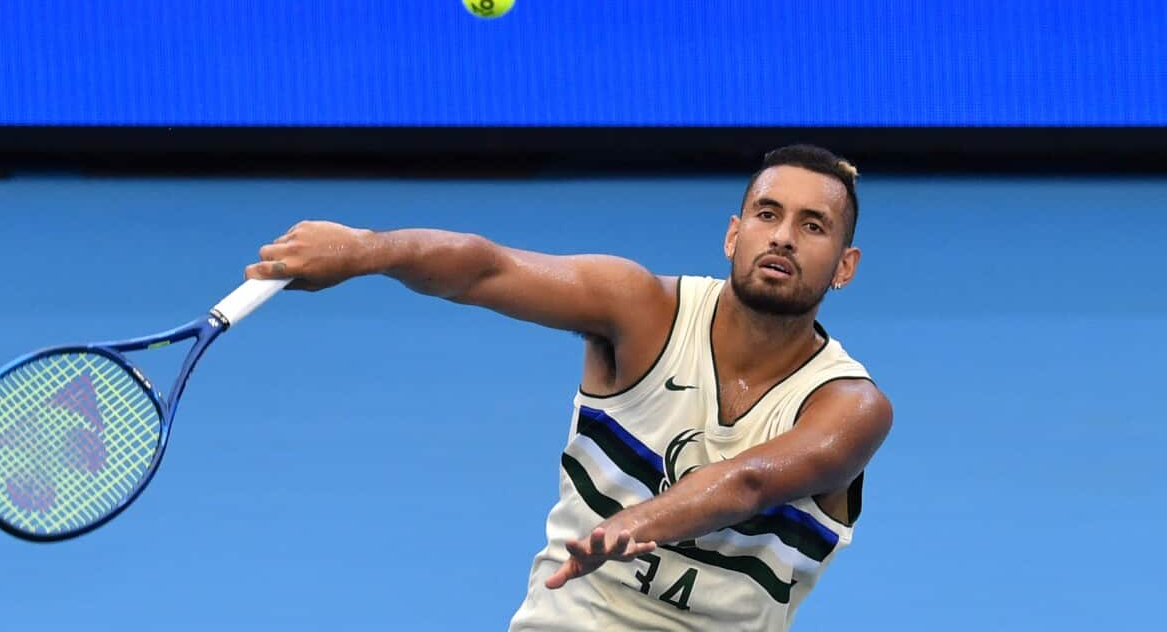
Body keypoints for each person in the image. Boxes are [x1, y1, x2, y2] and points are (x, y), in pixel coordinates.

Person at [245, 145, 893, 631]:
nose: (782, 235)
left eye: (813, 226)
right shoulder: (640, 310)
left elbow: (748, 482)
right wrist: (367, 249)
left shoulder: (850, 407)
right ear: (734, 232)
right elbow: (483, 267)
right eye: (767, 213)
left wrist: (641, 521)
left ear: (845, 266)